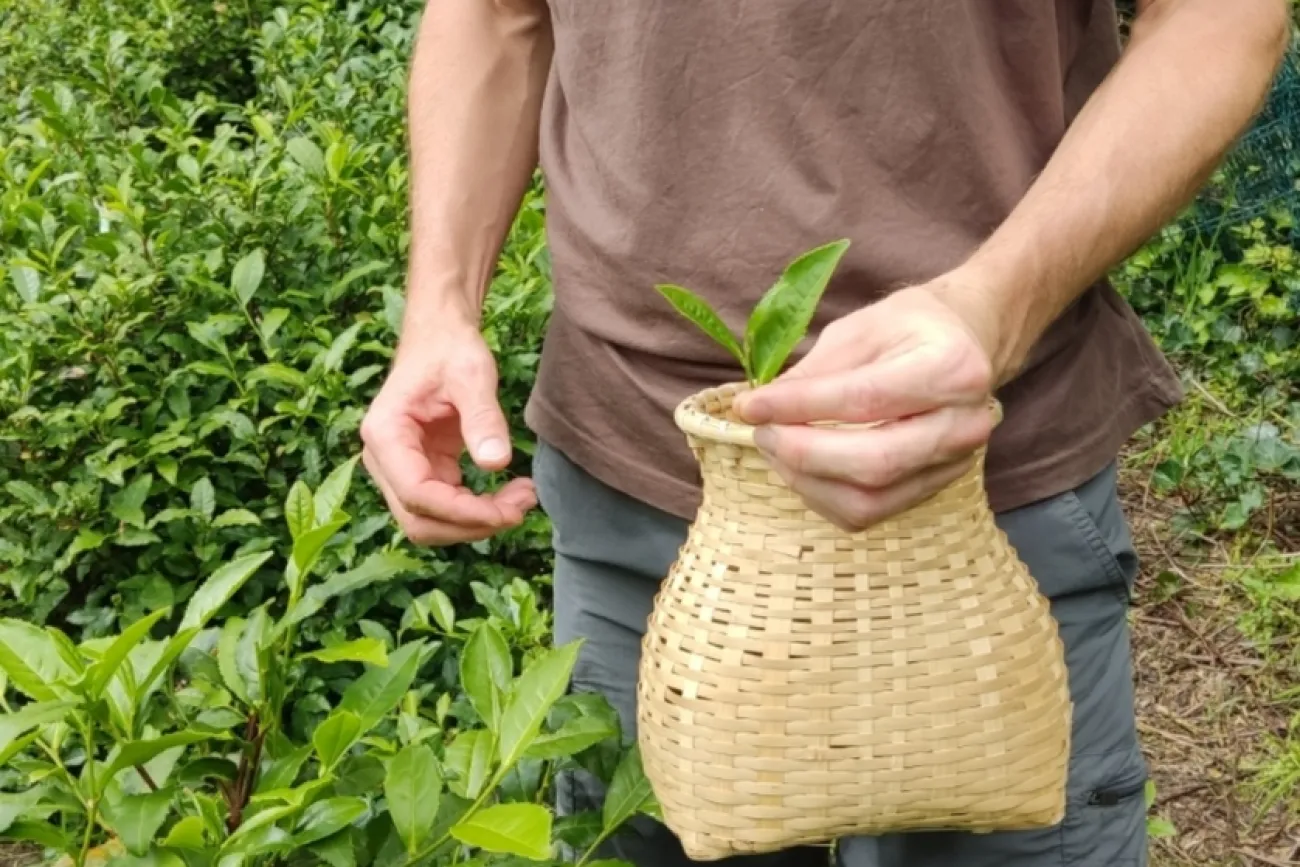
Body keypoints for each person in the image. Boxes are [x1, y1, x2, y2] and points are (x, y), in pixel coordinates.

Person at [360, 0, 1290, 864]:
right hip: (639, 501)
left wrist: (991, 309)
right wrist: (439, 307)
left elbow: (1219, 17)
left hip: (983, 517)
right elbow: (495, 12)